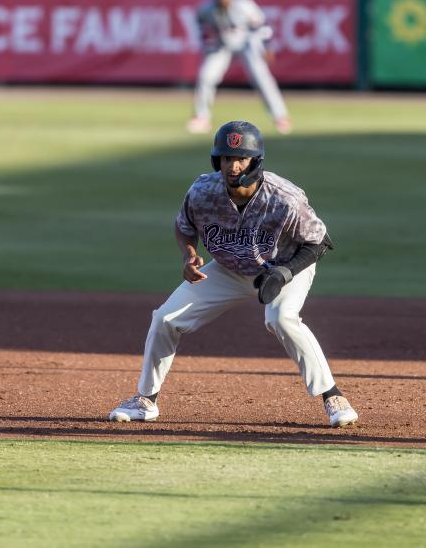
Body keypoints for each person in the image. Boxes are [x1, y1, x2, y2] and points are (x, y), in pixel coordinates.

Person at [109, 120, 358, 428]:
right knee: (165, 319)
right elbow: (184, 226)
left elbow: (319, 241)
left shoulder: (284, 197)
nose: (233, 165)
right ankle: (145, 400)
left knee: (280, 318)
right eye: (227, 158)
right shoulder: (202, 191)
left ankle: (333, 396)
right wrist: (188, 255)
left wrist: (284, 272)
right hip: (228, 270)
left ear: (256, 161)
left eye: (241, 158)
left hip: (284, 266)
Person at [186, 0, 292, 135]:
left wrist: (267, 47)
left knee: (261, 77)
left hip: (247, 42)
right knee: (206, 76)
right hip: (222, 43)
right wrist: (208, 42)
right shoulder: (207, 8)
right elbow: (200, 24)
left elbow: (263, 26)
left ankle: (280, 116)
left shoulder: (245, 5)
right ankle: (202, 117)